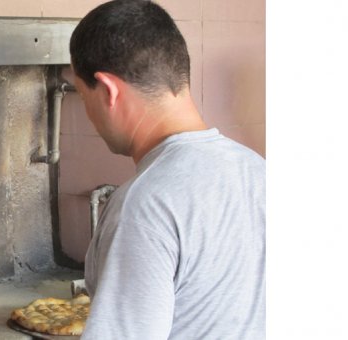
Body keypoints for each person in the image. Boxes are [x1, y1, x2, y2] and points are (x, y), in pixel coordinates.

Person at [69, 1, 265, 339]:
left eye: (83, 96)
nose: (88, 112)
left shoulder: (144, 205)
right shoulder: (258, 170)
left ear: (108, 91)